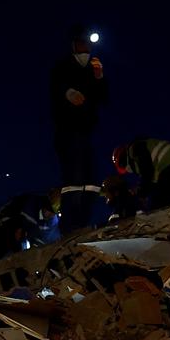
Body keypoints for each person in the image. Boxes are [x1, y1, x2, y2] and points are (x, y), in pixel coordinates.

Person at [50, 26, 108, 232]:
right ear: (74, 46)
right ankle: (69, 227)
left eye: (88, 46)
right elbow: (55, 86)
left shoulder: (90, 71)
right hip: (68, 131)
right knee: (74, 178)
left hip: (86, 131)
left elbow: (103, 98)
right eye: (81, 45)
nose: (85, 50)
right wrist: (68, 93)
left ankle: (82, 224)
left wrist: (99, 77)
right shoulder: (63, 68)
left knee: (91, 180)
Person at [112, 138, 170, 210]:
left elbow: (146, 171)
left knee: (158, 205)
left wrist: (141, 192)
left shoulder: (135, 148)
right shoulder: (146, 152)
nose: (128, 170)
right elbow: (152, 181)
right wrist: (143, 192)